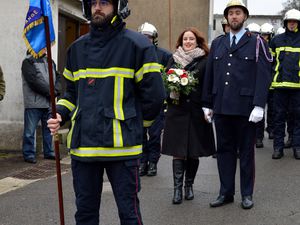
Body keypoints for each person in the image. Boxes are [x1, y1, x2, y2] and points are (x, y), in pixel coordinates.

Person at [47, 0, 165, 224]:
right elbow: (70, 94)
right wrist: (60, 113)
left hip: (122, 148)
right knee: (85, 215)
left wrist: (140, 126)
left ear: (118, 6)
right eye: (93, 3)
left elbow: (154, 96)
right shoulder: (77, 48)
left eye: (104, 2)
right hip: (84, 148)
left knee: (128, 214)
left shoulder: (138, 46)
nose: (97, 8)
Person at [202, 0, 272, 210]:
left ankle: (247, 194)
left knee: (246, 154)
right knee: (224, 152)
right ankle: (226, 192)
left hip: (245, 108)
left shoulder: (257, 42)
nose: (234, 16)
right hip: (222, 107)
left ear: (245, 16)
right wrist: (207, 103)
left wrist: (259, 105)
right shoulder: (218, 43)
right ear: (226, 18)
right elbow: (210, 75)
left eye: (238, 13)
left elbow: (263, 75)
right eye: (231, 13)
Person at [161, 27, 216, 205]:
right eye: (185, 39)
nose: (188, 42)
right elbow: (165, 81)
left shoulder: (205, 60)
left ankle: (188, 186)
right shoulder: (173, 58)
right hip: (176, 111)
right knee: (178, 152)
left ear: (198, 41)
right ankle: (177, 190)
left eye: (191, 39)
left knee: (193, 152)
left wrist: (209, 106)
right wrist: (172, 88)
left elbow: (209, 84)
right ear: (181, 41)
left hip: (196, 111)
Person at [137, 22, 172, 177]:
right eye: (143, 36)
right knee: (140, 135)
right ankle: (142, 162)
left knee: (155, 135)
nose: (146, 39)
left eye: (149, 36)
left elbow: (169, 78)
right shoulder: (134, 53)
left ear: (154, 38)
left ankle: (153, 163)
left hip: (157, 103)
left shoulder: (165, 56)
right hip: (139, 103)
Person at [269, 9, 300, 160]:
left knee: (298, 118)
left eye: (295, 21)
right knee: (279, 118)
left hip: (298, 87)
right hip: (280, 86)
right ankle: (278, 148)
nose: (292, 24)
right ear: (286, 22)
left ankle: (297, 147)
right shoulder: (276, 40)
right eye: (290, 21)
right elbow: (270, 63)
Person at [21, 50, 61, 164]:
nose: (45, 49)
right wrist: (50, 92)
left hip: (48, 103)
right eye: (42, 46)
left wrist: (57, 90)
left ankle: (49, 152)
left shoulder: (50, 61)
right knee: (29, 131)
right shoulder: (28, 62)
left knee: (48, 130)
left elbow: (58, 77)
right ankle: (29, 154)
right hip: (34, 103)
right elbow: (33, 81)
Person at [260, 23, 275, 141]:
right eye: (263, 35)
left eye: (267, 35)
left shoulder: (273, 45)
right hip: (263, 82)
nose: (265, 37)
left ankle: (271, 129)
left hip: (273, 82)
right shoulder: (259, 46)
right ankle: (259, 136)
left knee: (272, 109)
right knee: (260, 109)